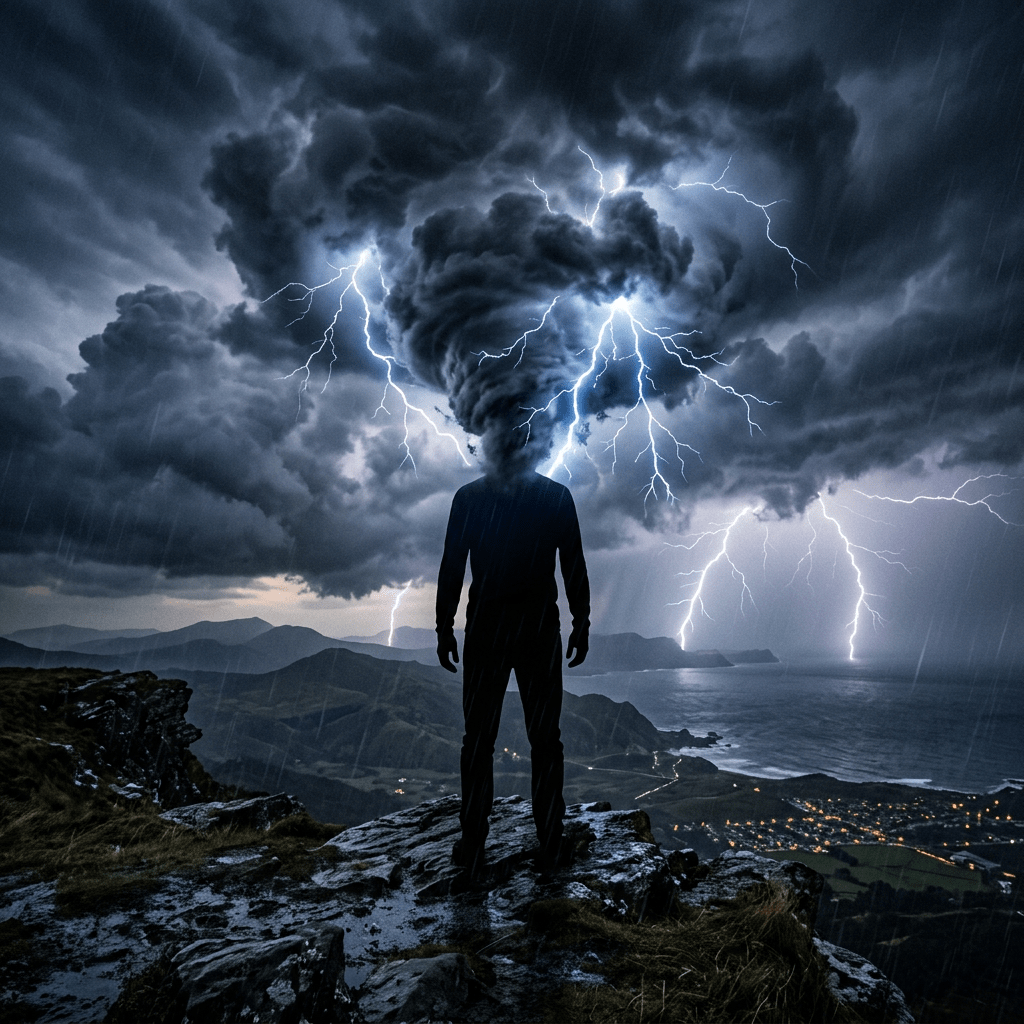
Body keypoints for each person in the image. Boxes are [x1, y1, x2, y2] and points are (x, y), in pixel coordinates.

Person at [436, 468, 590, 875]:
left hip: (488, 630)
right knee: (545, 740)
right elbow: (572, 562)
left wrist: (444, 626)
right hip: (539, 631)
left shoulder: (469, 497)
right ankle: (552, 842)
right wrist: (581, 622)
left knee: (478, 740)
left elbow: (452, 564)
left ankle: (472, 845)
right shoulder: (554, 495)